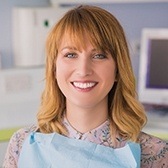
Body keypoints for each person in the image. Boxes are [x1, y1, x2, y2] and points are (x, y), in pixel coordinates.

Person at [3, 5, 168, 168]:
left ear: (118, 69)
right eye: (71, 54)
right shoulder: (22, 143)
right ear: (54, 68)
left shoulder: (154, 154)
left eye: (99, 55)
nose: (83, 70)